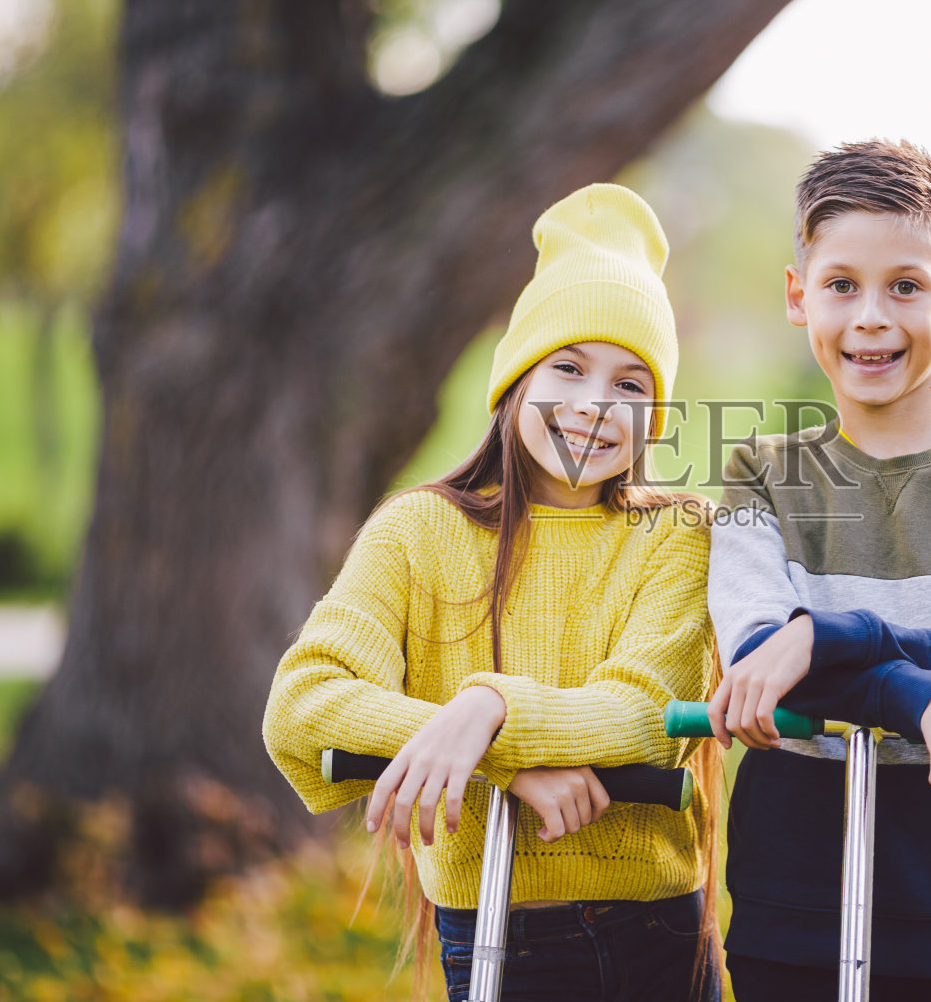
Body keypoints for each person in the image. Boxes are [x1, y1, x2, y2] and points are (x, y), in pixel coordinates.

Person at [263, 183, 721, 1002]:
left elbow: (648, 715)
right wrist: (498, 765)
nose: (592, 406)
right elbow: (303, 704)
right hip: (497, 935)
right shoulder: (418, 531)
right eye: (569, 367)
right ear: (517, 379)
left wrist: (488, 713)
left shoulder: (680, 534)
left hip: (656, 933)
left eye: (628, 384)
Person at [706, 140, 931, 1001]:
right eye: (841, 285)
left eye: (905, 285)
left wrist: (830, 636)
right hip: (792, 898)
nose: (871, 316)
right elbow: (763, 658)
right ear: (800, 298)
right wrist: (925, 693)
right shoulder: (761, 473)